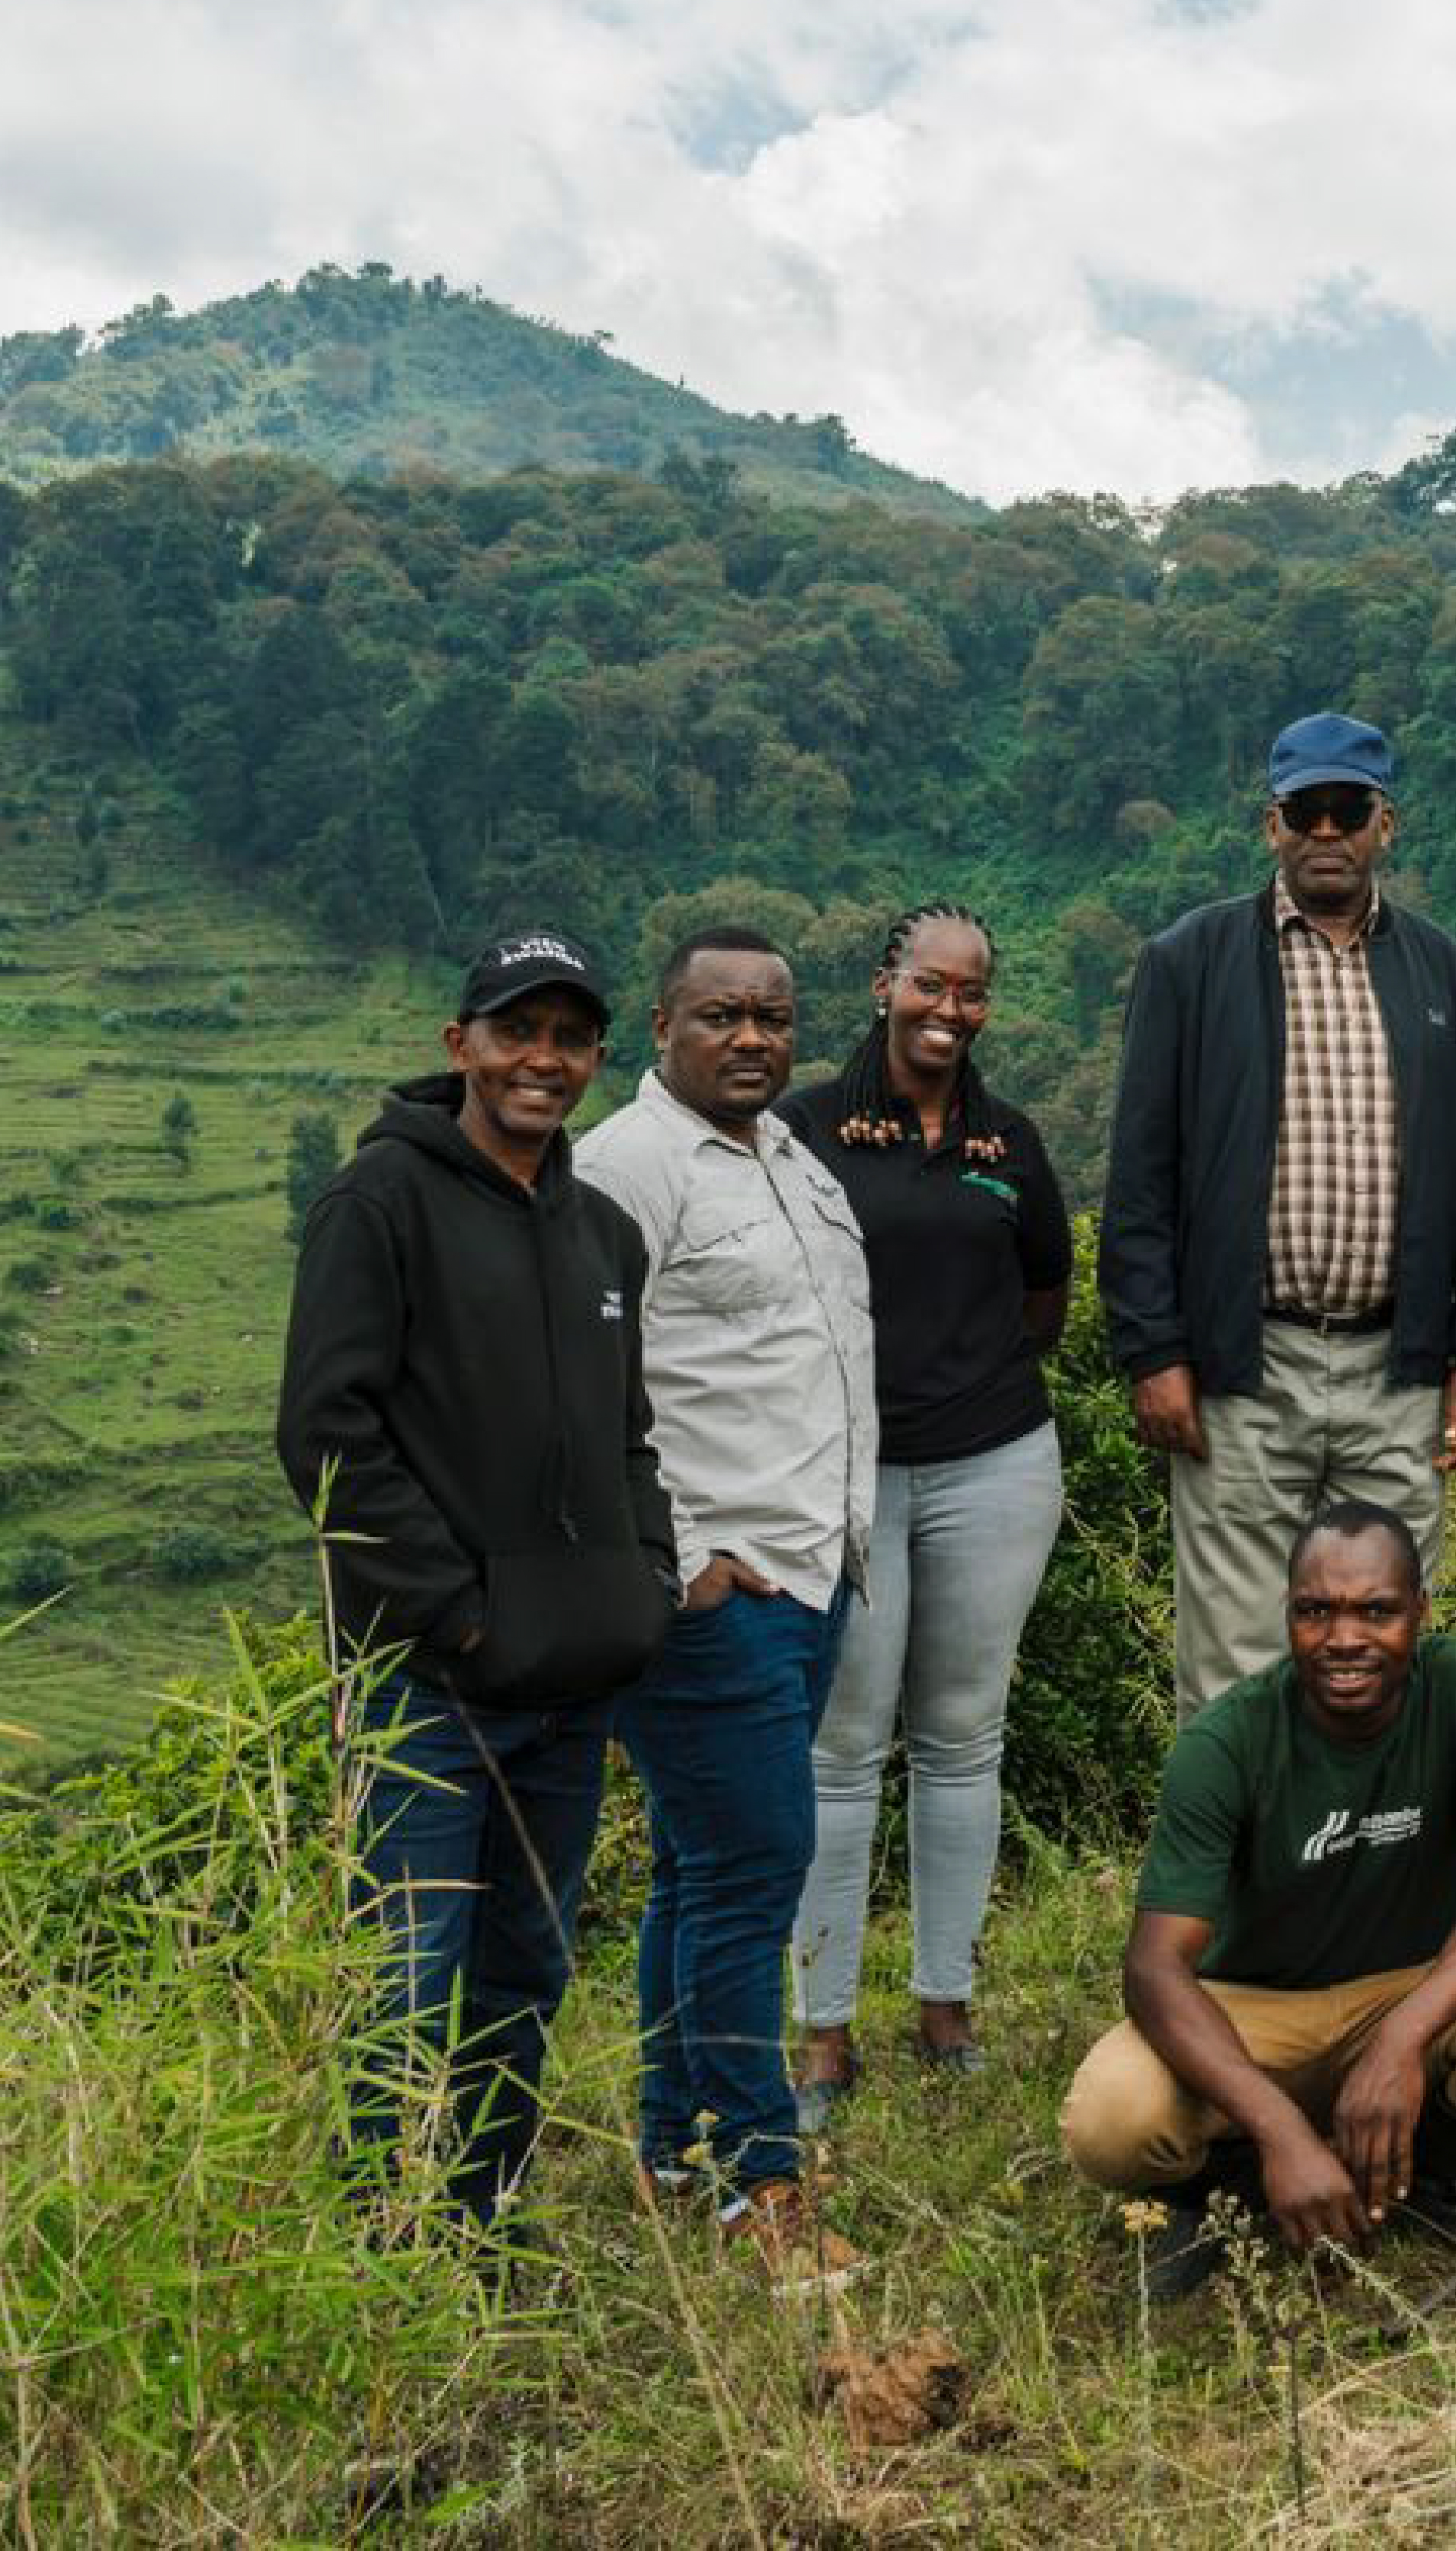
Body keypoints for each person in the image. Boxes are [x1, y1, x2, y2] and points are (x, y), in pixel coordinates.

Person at [276, 928, 675, 2241]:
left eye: (569, 1037)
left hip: (568, 1686)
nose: (542, 1060)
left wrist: (647, 1577)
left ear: (595, 1056)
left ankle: (481, 2225)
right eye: (516, 1031)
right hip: (427, 1687)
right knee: (405, 1979)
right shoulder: (377, 1204)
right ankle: (386, 2257)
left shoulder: (603, 1232)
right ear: (461, 1044)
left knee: (523, 1974)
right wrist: (457, 1611)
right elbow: (325, 1432)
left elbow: (627, 1437)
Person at [573, 926, 878, 2282]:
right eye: (720, 1015)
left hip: (808, 1571)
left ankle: (671, 2146)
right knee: (755, 1875)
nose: (751, 1036)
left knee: (701, 1873)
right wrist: (682, 1553)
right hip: (714, 1591)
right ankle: (763, 2187)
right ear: (661, 1026)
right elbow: (583, 1378)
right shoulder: (625, 1168)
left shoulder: (788, 1156)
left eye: (772, 1015)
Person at [1057, 1502, 1456, 2290]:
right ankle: (1229, 2197)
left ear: (1420, 1611)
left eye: (1376, 1611)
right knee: (1110, 2119)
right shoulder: (1224, 1741)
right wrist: (1280, 2131)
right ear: (1289, 1616)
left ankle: (1439, 2188)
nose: (1344, 1638)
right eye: (1316, 1612)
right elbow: (1155, 1968)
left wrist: (1400, 2041)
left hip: (1408, 1986)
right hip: (1254, 2010)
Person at [1102, 714, 1456, 1714]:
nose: (1326, 831)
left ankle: (1375, 1825)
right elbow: (1141, 1170)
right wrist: (1154, 1351)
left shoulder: (1440, 970)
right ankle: (1235, 1827)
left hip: (1395, 1372)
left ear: (1383, 824)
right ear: (1270, 823)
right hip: (1243, 1369)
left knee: (1385, 1659)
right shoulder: (1189, 960)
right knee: (1235, 1665)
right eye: (1304, 810)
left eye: (1346, 810)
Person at [776, 904, 1072, 2118]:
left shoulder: (1007, 1141)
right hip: (844, 1477)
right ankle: (825, 2030)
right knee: (842, 1747)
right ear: (883, 984)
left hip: (994, 1464)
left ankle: (947, 2004)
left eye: (972, 990)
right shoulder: (805, 1129)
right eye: (930, 984)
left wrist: (965, 1377)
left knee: (961, 1736)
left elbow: (1045, 1294)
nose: (950, 1008)